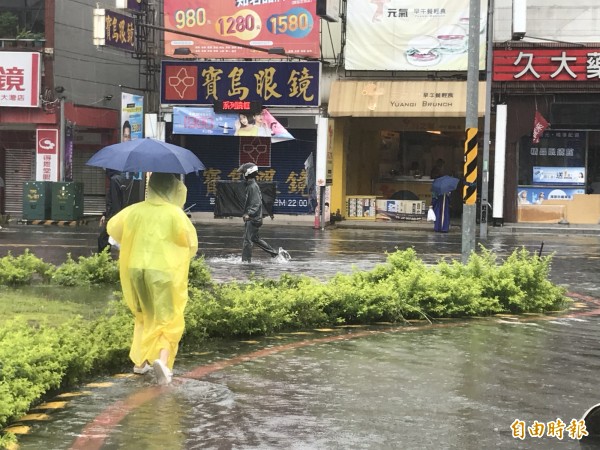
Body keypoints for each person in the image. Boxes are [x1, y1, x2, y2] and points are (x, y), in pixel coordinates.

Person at [107, 172, 198, 385]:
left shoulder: (135, 210)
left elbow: (113, 230)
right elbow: (190, 244)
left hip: (136, 269)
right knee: (169, 316)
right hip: (164, 272)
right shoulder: (175, 214)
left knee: (144, 313)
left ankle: (140, 363)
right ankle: (163, 363)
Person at [239, 163, 290, 263]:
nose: (242, 175)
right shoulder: (251, 185)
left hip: (253, 218)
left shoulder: (252, 186)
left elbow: (256, 203)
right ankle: (275, 254)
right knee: (255, 239)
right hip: (255, 218)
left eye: (243, 173)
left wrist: (248, 213)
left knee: (247, 241)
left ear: (248, 173)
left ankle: (245, 262)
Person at [97, 169, 130, 253]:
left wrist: (112, 218)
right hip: (121, 214)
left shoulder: (114, 180)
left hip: (114, 216)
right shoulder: (123, 180)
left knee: (103, 239)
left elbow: (114, 200)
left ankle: (103, 261)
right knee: (107, 239)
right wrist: (104, 214)